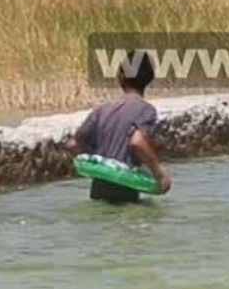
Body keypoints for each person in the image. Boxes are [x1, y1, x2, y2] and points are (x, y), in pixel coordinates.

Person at [70, 54, 171, 203]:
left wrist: (97, 162)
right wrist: (160, 174)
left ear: (121, 76)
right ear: (150, 78)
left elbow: (73, 145)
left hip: (99, 188)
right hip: (125, 191)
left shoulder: (102, 109)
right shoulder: (146, 110)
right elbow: (137, 142)